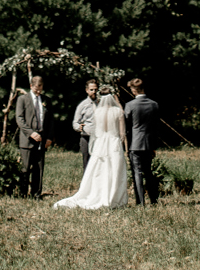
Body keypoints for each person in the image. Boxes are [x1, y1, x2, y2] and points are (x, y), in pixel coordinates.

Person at [55, 89, 131, 211]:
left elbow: (96, 132)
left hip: (100, 143)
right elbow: (122, 134)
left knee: (99, 171)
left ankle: (97, 194)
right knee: (115, 170)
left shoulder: (97, 111)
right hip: (113, 143)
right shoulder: (118, 112)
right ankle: (115, 198)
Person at [125, 78, 163, 206]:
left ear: (135, 90)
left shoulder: (130, 105)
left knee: (137, 172)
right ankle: (153, 199)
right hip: (149, 142)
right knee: (149, 172)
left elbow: (126, 125)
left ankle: (140, 201)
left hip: (135, 143)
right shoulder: (154, 104)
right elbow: (156, 127)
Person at [14, 77, 48, 198]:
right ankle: (23, 193)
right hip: (27, 140)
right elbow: (19, 119)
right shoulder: (22, 99)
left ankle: (36, 193)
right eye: (36, 88)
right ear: (31, 86)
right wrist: (30, 133)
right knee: (25, 168)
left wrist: (48, 137)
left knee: (38, 168)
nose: (38, 91)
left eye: (40, 88)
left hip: (41, 139)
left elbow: (50, 121)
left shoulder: (45, 100)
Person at [72, 80, 99, 169]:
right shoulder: (82, 105)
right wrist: (78, 127)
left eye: (95, 89)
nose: (94, 92)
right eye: (91, 90)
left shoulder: (101, 103)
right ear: (87, 90)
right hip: (86, 136)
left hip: (99, 137)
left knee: (98, 162)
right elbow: (75, 122)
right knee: (87, 162)